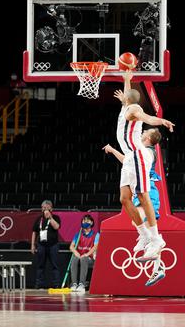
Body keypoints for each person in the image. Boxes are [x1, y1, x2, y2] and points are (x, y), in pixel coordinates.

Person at [114, 70, 174, 272]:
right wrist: (127, 79)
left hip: (136, 154)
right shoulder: (126, 106)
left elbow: (146, 116)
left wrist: (161, 121)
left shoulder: (135, 108)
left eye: (125, 97)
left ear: (129, 100)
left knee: (143, 194)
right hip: (129, 158)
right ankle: (144, 234)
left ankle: (156, 239)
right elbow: (128, 97)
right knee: (124, 199)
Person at [103, 127, 166, 286]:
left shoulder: (149, 152)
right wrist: (113, 150)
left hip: (148, 191)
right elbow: (127, 161)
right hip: (140, 191)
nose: (143, 131)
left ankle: (156, 243)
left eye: (146, 132)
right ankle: (157, 268)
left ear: (149, 138)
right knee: (145, 227)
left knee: (142, 226)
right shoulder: (139, 152)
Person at [31, 200, 61, 288]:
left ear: (51, 208)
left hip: (53, 245)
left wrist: (50, 218)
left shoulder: (56, 217)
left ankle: (56, 285)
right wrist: (32, 245)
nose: (45, 209)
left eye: (47, 208)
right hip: (41, 245)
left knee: (55, 266)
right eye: (43, 208)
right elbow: (34, 232)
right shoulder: (38, 219)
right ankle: (39, 285)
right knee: (40, 265)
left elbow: (57, 227)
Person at [68, 215, 99, 292]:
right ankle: (74, 283)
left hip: (90, 258)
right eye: (84, 221)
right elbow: (71, 246)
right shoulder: (78, 235)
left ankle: (82, 284)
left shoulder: (96, 234)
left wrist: (87, 254)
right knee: (74, 258)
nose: (85, 222)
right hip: (80, 256)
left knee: (84, 258)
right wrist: (75, 252)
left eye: (87, 221)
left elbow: (95, 246)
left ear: (91, 222)